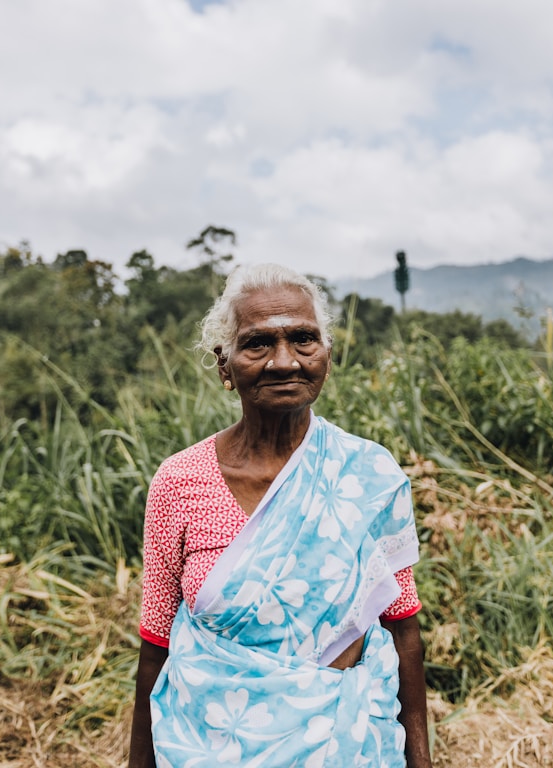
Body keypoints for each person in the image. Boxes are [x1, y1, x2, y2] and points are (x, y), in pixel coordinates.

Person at [128, 263, 432, 768]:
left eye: (303, 339)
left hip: (345, 744)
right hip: (210, 745)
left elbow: (403, 628)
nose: (284, 361)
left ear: (326, 359)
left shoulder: (367, 474)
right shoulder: (180, 481)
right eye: (257, 344)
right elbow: (156, 643)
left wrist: (421, 761)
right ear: (224, 366)